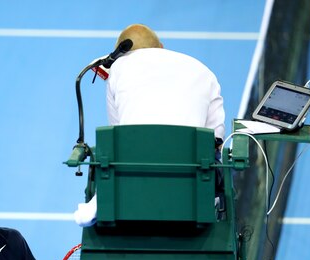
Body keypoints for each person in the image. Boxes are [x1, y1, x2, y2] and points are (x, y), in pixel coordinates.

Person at [74, 23, 226, 226]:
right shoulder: (205, 73)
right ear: (161, 47)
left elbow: (118, 137)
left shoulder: (117, 69)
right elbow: (216, 142)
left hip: (131, 189)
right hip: (192, 195)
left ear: (121, 54)